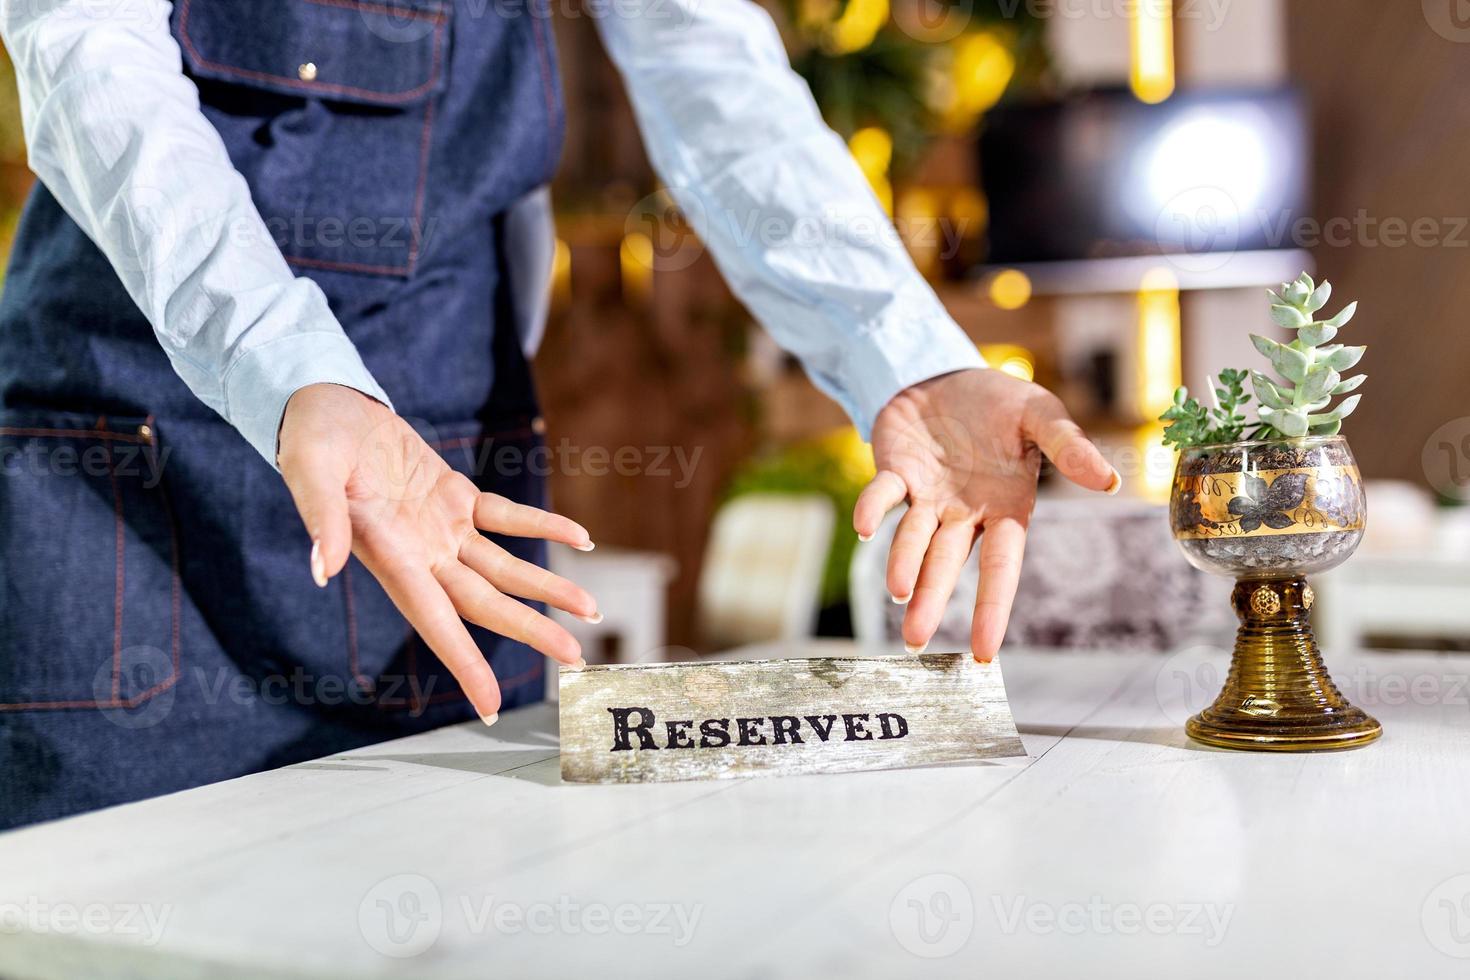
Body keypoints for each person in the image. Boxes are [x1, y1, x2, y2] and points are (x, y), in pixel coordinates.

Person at [0, 0, 1119, 828]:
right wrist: (289, 369)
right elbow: (87, 49)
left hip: (440, 489)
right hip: (130, 474)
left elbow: (716, 81)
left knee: (454, 903)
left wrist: (905, 357)